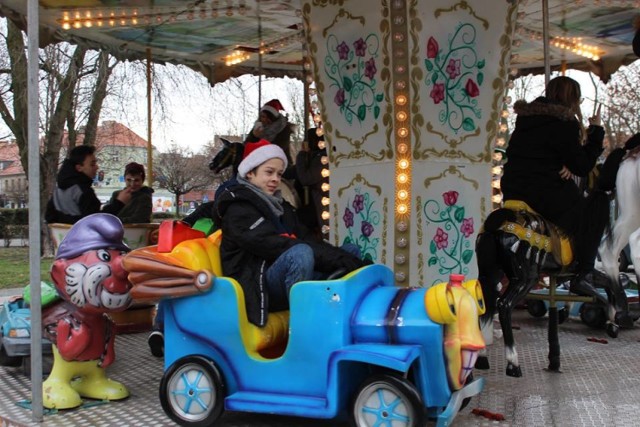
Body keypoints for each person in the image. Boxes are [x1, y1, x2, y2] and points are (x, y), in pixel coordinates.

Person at [500, 75, 640, 294]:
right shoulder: (563, 122)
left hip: (512, 188)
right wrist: (595, 132)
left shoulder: (525, 119)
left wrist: (563, 162)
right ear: (572, 99)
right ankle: (584, 270)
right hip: (541, 191)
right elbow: (582, 166)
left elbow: (543, 151)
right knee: (594, 210)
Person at [213, 139, 366, 326]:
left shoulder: (281, 207)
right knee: (300, 253)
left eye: (279, 174)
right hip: (257, 286)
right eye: (269, 172)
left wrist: (341, 256)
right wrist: (336, 259)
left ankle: (344, 320)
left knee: (351, 250)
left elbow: (308, 238)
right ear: (250, 173)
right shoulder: (238, 208)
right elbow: (275, 244)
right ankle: (304, 328)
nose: (276, 179)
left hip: (282, 276)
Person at [45, 145, 131, 224]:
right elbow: (95, 221)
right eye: (92, 164)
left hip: (63, 238)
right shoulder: (83, 191)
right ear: (79, 168)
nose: (96, 167)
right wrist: (119, 203)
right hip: (84, 239)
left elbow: (49, 217)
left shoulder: (58, 190)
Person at [295, 127, 329, 236]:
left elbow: (306, 178)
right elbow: (295, 171)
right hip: (315, 200)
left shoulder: (322, 159)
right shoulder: (314, 157)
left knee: (298, 220)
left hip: (320, 202)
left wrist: (301, 154)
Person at [245, 99, 295, 169]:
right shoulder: (258, 127)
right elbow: (246, 146)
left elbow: (275, 149)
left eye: (265, 117)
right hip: (258, 164)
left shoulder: (284, 129)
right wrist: (254, 136)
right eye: (261, 116)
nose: (263, 120)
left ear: (271, 117)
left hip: (281, 165)